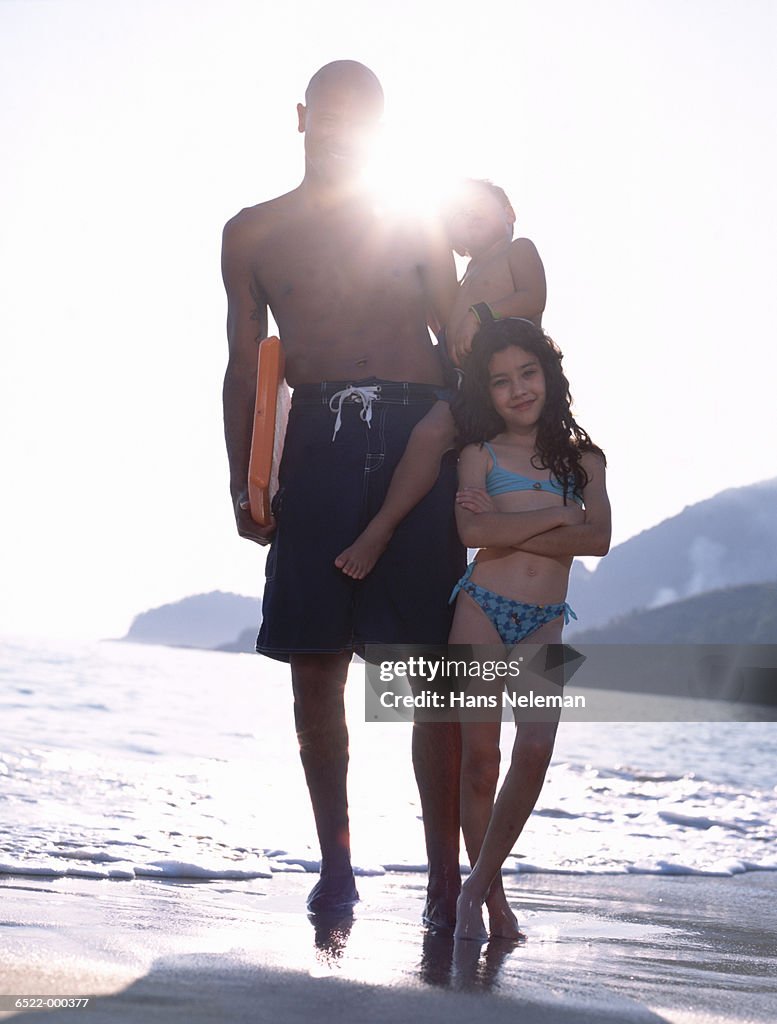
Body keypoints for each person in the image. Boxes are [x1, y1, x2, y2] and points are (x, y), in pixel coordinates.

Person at [221, 61, 466, 921]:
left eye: (359, 121)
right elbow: (244, 363)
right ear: (300, 117)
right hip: (317, 439)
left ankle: (444, 879)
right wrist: (240, 478)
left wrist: (487, 455)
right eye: (327, 116)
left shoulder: (414, 221)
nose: (339, 132)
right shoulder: (252, 233)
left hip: (417, 431)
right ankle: (338, 866)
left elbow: (462, 339)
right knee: (315, 664)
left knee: (428, 668)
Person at [448, 315, 611, 941]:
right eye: (500, 382)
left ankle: (475, 881)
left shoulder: (585, 459)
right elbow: (472, 535)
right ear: (485, 393)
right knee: (480, 759)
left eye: (527, 373)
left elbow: (596, 538)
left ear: (549, 376)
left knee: (536, 748)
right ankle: (490, 902)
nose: (518, 390)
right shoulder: (478, 456)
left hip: (546, 620)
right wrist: (558, 514)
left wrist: (517, 520)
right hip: (481, 606)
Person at [335, 178, 547, 580]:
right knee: (433, 444)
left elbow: (533, 297)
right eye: (458, 216)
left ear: (509, 214)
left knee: (430, 435)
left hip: (507, 379)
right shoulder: (467, 273)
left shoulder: (517, 250)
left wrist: (481, 314)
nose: (467, 218)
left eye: (477, 209)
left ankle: (380, 529)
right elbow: (448, 327)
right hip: (468, 384)